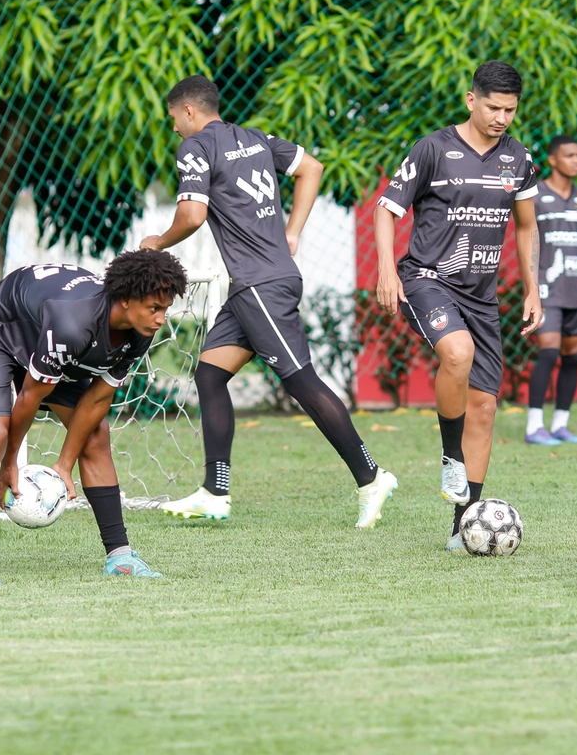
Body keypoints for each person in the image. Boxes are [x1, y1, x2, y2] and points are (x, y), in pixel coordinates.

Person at [141, 76, 397, 528]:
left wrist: (157, 242)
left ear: (187, 112)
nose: (176, 131)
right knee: (210, 373)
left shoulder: (195, 148)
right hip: (256, 285)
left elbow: (193, 213)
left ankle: (372, 477)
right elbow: (312, 168)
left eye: (174, 122)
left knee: (301, 382)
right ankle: (215, 492)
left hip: (261, 286)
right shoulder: (256, 139)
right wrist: (292, 230)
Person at [373, 61, 542, 551]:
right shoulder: (434, 149)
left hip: (482, 296)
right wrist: (387, 270)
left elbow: (527, 226)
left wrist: (532, 289)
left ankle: (462, 523)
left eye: (510, 109)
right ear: (472, 100)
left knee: (485, 407)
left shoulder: (519, 159)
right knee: (457, 353)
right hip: (427, 280)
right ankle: (452, 458)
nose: (502, 118)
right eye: (493, 107)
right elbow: (387, 210)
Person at [0, 249, 189, 586]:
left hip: (42, 334)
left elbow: (98, 398)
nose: (160, 319)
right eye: (154, 309)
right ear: (125, 299)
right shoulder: (72, 324)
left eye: (165, 309)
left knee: (96, 434)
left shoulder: (141, 330)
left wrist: (64, 465)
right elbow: (30, 396)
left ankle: (120, 557)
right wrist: (10, 463)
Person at [524, 135, 577, 446]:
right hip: (547, 288)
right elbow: (527, 242)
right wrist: (530, 288)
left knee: (573, 356)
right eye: (569, 156)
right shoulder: (536, 196)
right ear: (553, 160)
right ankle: (534, 426)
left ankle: (560, 424)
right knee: (549, 350)